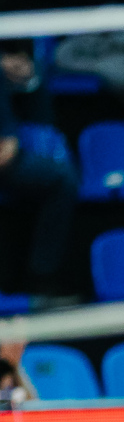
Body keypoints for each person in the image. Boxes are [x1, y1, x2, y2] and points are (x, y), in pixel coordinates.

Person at [0, 55, 78, 298]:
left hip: (8, 155)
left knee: (61, 178)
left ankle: (41, 280)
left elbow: (10, 146)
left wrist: (27, 77)